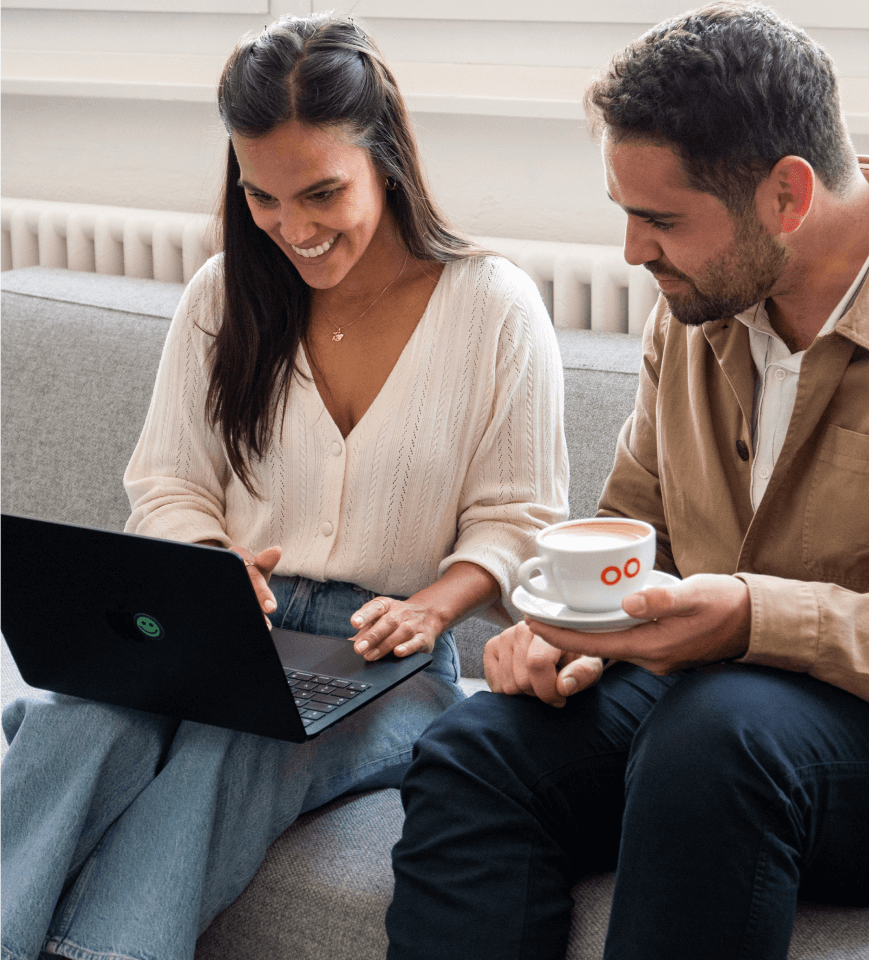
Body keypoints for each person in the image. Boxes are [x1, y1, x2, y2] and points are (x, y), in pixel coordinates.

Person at [385, 4, 869, 958]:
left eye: (659, 219)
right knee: (474, 749)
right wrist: (569, 634)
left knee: (716, 732)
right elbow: (634, 523)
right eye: (624, 213)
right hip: (711, 709)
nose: (632, 251)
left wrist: (756, 617)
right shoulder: (698, 307)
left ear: (786, 194)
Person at [0, 14, 567, 960]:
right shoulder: (223, 295)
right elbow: (168, 486)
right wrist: (211, 564)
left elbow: (521, 517)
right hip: (226, 626)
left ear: (385, 157)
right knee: (79, 723)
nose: (294, 229)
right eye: (261, 196)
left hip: (383, 658)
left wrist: (431, 606)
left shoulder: (492, 307)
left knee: (231, 750)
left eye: (322, 193)